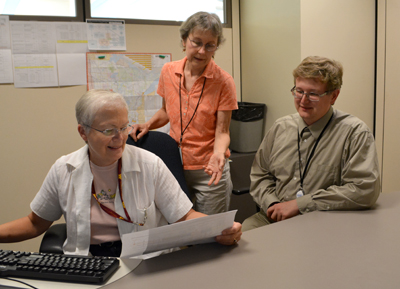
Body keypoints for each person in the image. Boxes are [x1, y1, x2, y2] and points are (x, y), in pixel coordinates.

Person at [0, 89, 242, 257]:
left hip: (142, 262)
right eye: (108, 130)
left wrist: (221, 228)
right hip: (87, 261)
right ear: (83, 132)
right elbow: (35, 223)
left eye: (124, 127)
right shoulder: (64, 169)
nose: (120, 137)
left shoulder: (150, 165)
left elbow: (184, 216)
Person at [242, 56, 380, 231]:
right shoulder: (280, 127)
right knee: (239, 240)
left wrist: (300, 204)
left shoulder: (354, 133)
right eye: (299, 91)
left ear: (334, 96)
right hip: (274, 217)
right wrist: (272, 204)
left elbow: (364, 190)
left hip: (324, 221)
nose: (303, 100)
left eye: (313, 94)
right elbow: (260, 175)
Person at [130, 12, 238, 215]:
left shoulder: (224, 81)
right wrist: (148, 125)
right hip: (174, 164)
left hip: (209, 170)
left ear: (216, 47)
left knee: (209, 232)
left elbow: (222, 131)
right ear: (184, 40)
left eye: (210, 45)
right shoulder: (168, 71)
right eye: (196, 42)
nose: (202, 51)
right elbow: (166, 111)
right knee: (177, 228)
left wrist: (217, 154)